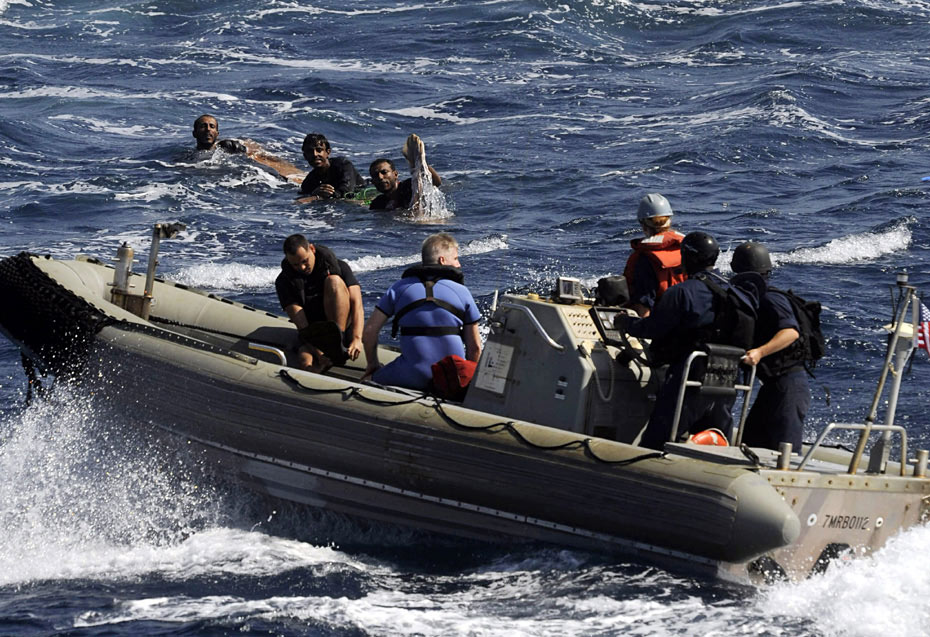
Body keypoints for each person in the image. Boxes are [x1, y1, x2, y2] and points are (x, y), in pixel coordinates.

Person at [618, 231, 753, 449]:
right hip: (728, 377)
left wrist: (626, 323)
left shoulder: (681, 292)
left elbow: (653, 328)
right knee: (717, 442)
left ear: (687, 257)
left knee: (657, 440)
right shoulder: (735, 293)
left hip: (690, 376)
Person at [361, 232, 481, 390]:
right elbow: (475, 347)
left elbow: (369, 331)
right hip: (451, 378)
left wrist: (373, 365)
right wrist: (468, 380)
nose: (458, 265)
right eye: (456, 259)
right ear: (442, 260)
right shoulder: (463, 292)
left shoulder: (399, 288)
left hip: (410, 375)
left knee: (366, 382)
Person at [731, 241, 810, 451]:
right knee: (751, 441)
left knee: (785, 450)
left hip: (788, 384)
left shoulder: (769, 298)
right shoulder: (757, 297)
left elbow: (790, 332)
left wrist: (759, 352)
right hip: (772, 384)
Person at [274, 234, 364, 372]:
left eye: (305, 261)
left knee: (333, 281)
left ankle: (337, 342)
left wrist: (357, 338)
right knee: (305, 361)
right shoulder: (283, 281)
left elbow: (357, 303)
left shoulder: (340, 266)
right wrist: (318, 352)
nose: (302, 267)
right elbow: (301, 324)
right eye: (295, 264)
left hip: (343, 328)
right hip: (315, 334)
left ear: (312, 249)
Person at [622, 193, 687, 317]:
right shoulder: (686, 249)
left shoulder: (644, 258)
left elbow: (644, 306)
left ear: (643, 225)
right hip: (688, 317)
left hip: (660, 321)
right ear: (669, 221)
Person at [191, 114, 303, 183]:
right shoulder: (191, 157)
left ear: (217, 133)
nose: (208, 129)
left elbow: (258, 158)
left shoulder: (228, 146)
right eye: (203, 126)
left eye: (212, 126)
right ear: (194, 133)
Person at [369, 139, 442, 211]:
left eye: (384, 172)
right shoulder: (377, 204)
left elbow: (436, 182)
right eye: (375, 175)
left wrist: (421, 164)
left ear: (395, 174)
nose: (380, 177)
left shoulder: (410, 186)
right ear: (373, 182)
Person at [297, 133, 364, 202]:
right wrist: (314, 194)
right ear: (305, 156)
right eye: (310, 151)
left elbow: (348, 192)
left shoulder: (343, 165)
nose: (315, 154)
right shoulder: (308, 182)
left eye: (319, 150)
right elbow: (304, 196)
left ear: (328, 152)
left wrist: (319, 196)